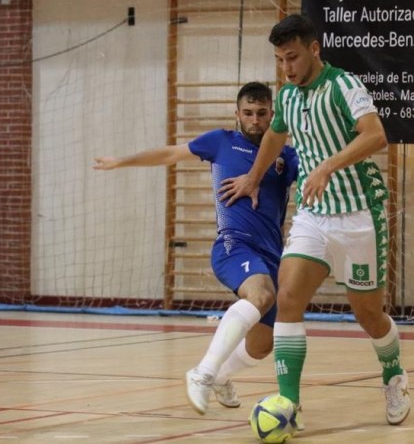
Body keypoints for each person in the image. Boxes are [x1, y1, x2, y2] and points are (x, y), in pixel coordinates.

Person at [219, 14, 411, 427]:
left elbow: (375, 135)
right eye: (279, 59)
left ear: (314, 49)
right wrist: (253, 178)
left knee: (368, 315)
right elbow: (275, 136)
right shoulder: (287, 97)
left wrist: (326, 166)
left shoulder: (344, 85)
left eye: (292, 57)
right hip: (315, 215)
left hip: (360, 214)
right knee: (287, 298)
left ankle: (393, 375)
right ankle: (289, 404)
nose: (286, 67)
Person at [93, 82, 298, 415]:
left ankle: (220, 375)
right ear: (237, 114)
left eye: (262, 114)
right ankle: (202, 373)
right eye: (248, 113)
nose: (255, 120)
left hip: (272, 255)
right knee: (260, 296)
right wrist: (122, 161)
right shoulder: (221, 142)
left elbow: (314, 175)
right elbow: (170, 153)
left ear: (272, 115)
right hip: (234, 245)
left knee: (262, 345)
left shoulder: (286, 156)